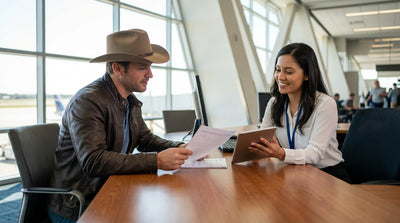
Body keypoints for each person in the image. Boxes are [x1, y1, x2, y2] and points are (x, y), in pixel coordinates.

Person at [47, 29, 193, 222]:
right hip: (77, 204)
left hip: (110, 187)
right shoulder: (88, 101)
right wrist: (156, 161)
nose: (150, 74)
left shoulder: (128, 100)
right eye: (142, 67)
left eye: (149, 67)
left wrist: (179, 147)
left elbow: (145, 139)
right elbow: (94, 160)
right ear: (117, 68)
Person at [248, 43, 351, 183]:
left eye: (289, 72)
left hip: (327, 174)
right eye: (278, 70)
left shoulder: (325, 104)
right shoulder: (274, 103)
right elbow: (264, 138)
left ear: (307, 75)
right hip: (293, 171)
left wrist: (282, 153)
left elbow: (315, 153)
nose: (280, 77)